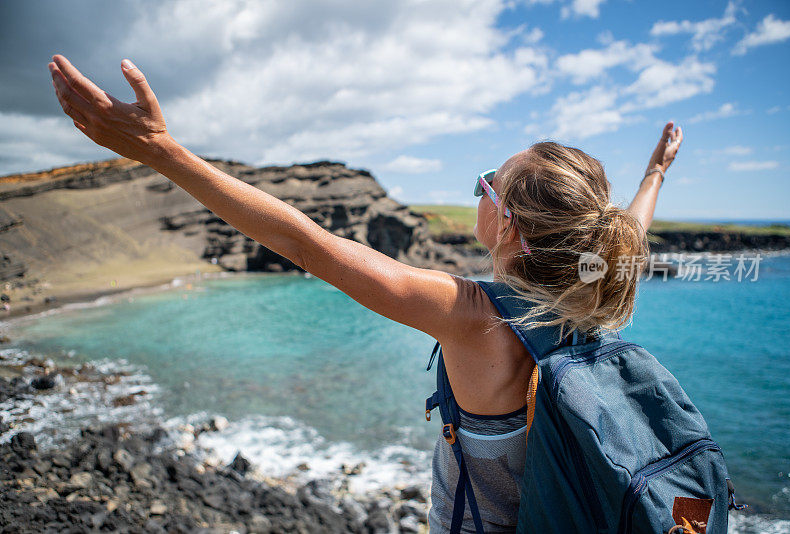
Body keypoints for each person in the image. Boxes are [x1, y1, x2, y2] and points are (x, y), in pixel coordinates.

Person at [47, 55, 683, 532]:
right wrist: (654, 173)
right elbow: (627, 228)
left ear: (508, 223)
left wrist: (160, 150)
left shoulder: (472, 319)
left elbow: (307, 244)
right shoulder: (593, 290)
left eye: (487, 183)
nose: (478, 189)